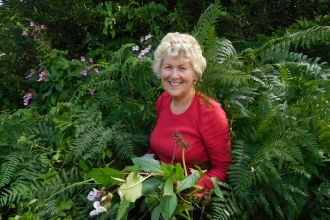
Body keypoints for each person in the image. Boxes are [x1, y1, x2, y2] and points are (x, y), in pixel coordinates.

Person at [145, 32, 231, 194]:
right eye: (168, 67)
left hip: (190, 201)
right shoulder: (163, 101)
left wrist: (187, 190)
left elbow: (222, 168)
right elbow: (156, 149)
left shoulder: (211, 114)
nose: (174, 75)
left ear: (195, 75)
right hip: (156, 190)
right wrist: (137, 171)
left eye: (182, 68)